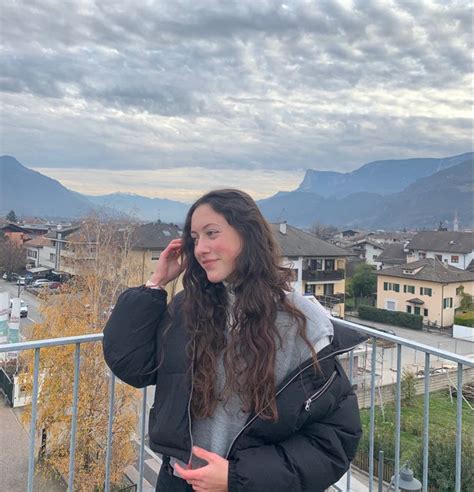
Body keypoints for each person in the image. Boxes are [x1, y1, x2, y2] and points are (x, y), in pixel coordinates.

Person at [103, 189, 365, 492]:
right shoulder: (189, 308)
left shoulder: (300, 322)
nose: (201, 248)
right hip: (177, 482)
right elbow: (134, 367)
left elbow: (333, 439)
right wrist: (155, 283)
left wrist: (236, 477)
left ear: (248, 234)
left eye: (212, 233)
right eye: (195, 238)